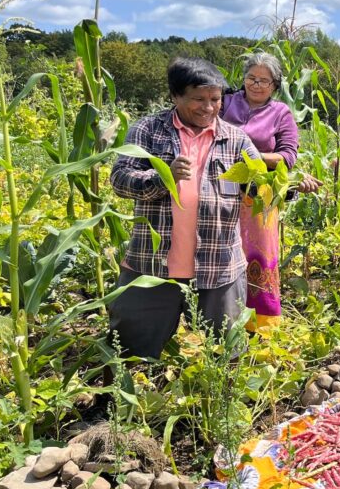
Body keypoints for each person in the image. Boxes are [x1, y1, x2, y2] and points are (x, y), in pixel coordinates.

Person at [108, 57, 261, 359]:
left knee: (227, 353)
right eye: (198, 99)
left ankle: (222, 407)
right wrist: (163, 175)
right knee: (127, 349)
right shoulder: (149, 131)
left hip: (219, 268)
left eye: (215, 99)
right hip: (151, 267)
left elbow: (258, 187)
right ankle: (115, 405)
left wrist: (286, 187)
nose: (208, 107)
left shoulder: (236, 140)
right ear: (175, 96)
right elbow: (120, 179)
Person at [220, 52, 319, 330]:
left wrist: (249, 156)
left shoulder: (280, 113)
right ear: (243, 79)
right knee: (221, 251)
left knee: (259, 254)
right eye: (251, 78)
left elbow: (288, 156)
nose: (256, 84)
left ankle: (259, 323)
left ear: (275, 85)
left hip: (260, 195)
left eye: (264, 80)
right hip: (220, 189)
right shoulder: (225, 103)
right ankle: (222, 320)